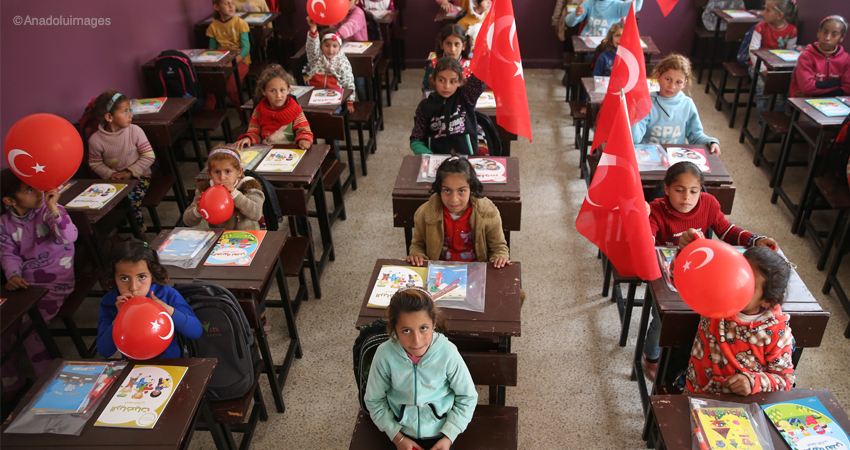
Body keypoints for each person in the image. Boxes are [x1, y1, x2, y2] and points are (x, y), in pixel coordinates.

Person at [642, 162, 778, 379]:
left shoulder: (709, 204)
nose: (687, 197)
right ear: (666, 189)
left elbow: (726, 230)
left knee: (704, 317)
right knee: (662, 321)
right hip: (665, 277)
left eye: (694, 191)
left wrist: (755, 240)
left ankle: (689, 354)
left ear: (701, 191)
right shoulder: (656, 209)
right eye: (679, 190)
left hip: (702, 273)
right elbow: (647, 244)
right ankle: (651, 356)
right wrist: (641, 220)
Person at [364, 287, 477, 450]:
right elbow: (374, 400)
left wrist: (449, 436)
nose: (416, 341)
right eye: (406, 330)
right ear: (394, 329)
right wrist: (397, 438)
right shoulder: (384, 355)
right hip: (399, 432)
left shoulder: (448, 353)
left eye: (423, 328)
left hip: (442, 434)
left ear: (434, 323)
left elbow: (467, 397)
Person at [0, 170, 77, 398]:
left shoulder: (48, 211)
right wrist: (13, 275)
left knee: (30, 328)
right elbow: (8, 254)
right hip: (25, 284)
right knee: (3, 329)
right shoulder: (4, 224)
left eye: (36, 186)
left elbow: (69, 236)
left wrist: (54, 208)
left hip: (55, 282)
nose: (38, 193)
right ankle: (12, 384)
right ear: (10, 201)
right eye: (29, 190)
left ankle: (48, 388)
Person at [686, 247, 795, 395]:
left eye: (749, 284)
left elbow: (785, 380)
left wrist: (752, 382)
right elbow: (684, 278)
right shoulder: (716, 298)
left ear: (767, 301)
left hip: (739, 406)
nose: (736, 284)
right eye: (737, 274)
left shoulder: (777, 331)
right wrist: (684, 251)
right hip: (696, 391)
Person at [96, 240, 202, 359]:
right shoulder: (109, 303)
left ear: (152, 275)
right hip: (132, 368)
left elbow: (196, 331)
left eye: (141, 277)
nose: (133, 287)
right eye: (124, 278)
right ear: (114, 278)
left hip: (171, 364)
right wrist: (119, 318)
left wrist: (167, 310)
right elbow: (104, 351)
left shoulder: (167, 294)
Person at [406, 156, 510, 268]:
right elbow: (417, 245)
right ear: (439, 189)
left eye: (461, 191)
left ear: (471, 189)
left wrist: (499, 257)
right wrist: (417, 255)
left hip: (474, 270)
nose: (454, 199)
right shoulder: (424, 213)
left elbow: (498, 247)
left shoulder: (488, 213)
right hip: (438, 271)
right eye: (447, 190)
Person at [88, 89, 156, 232]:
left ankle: (140, 232)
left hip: (139, 177)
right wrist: (110, 174)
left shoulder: (134, 131)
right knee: (105, 205)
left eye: (129, 110)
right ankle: (114, 233)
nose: (130, 115)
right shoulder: (96, 140)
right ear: (109, 117)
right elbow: (95, 163)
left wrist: (130, 172)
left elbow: (149, 155)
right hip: (114, 181)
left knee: (131, 200)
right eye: (125, 111)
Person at [632, 54, 722, 155]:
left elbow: (695, 135)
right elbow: (635, 139)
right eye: (668, 79)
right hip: (649, 155)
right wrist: (633, 118)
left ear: (684, 84)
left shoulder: (687, 104)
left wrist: (711, 142)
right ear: (658, 77)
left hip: (676, 156)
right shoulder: (646, 102)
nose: (671, 86)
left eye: (678, 82)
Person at [411, 58, 486, 155]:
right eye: (441, 80)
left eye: (453, 81)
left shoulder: (466, 96)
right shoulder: (425, 106)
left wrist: (487, 53)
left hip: (465, 161)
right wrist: (429, 156)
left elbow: (481, 76)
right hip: (436, 161)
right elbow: (416, 139)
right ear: (434, 80)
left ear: (460, 81)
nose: (447, 86)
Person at [183, 147, 265, 230]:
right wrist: (198, 209)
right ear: (209, 173)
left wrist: (234, 193)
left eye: (228, 171)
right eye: (217, 172)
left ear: (239, 172)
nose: (222, 178)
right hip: (220, 238)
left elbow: (256, 214)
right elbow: (187, 221)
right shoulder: (206, 190)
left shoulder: (249, 186)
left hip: (247, 237)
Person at [234, 65, 314, 150]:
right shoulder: (259, 110)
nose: (278, 95)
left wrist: (304, 139)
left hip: (291, 153)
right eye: (272, 91)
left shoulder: (295, 109)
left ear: (288, 90)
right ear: (263, 91)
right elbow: (254, 132)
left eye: (282, 90)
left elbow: (304, 131)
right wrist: (249, 139)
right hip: (267, 153)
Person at [748, 0, 797, 117]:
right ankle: (763, 124)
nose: (763, 12)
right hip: (758, 66)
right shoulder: (761, 27)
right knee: (763, 89)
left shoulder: (792, 30)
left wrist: (779, 72)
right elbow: (753, 51)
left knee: (780, 93)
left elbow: (790, 54)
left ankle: (775, 125)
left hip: (777, 69)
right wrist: (763, 70)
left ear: (780, 15)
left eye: (768, 10)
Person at [205, 0, 251, 124]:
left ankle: (245, 120)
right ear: (216, 6)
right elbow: (212, 51)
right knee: (211, 87)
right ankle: (207, 124)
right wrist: (219, 64)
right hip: (222, 63)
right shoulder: (213, 27)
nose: (231, 6)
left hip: (240, 61)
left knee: (232, 89)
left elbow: (245, 49)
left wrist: (231, 64)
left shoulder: (240, 23)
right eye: (226, 3)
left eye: (232, 3)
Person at [789, 15, 850, 98]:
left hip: (833, 106)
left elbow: (847, 89)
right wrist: (836, 83)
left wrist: (815, 95)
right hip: (802, 105)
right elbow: (807, 87)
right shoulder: (806, 56)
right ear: (819, 33)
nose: (827, 38)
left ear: (841, 38)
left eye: (834, 34)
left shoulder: (846, 59)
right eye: (825, 32)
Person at [305, 19, 356, 114]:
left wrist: (350, 101)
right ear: (321, 45)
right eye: (326, 45)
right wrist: (313, 29)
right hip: (313, 94)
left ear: (340, 47)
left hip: (334, 97)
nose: (330, 49)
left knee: (332, 115)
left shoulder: (343, 62)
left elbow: (348, 82)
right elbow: (311, 48)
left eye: (334, 46)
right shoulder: (316, 57)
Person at [332, 0, 369, 102]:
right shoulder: (337, 12)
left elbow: (350, 25)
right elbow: (332, 27)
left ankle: (365, 104)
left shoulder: (358, 13)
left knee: (359, 83)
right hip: (341, 55)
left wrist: (335, 36)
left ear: (356, 1)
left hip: (359, 55)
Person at [423, 25, 473, 94]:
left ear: (463, 46)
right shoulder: (434, 64)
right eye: (448, 44)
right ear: (441, 44)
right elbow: (426, 89)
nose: (452, 49)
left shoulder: (470, 65)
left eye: (457, 44)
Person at [565, 0, 643, 36]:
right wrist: (576, 14)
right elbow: (569, 22)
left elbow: (636, 7)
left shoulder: (618, 5)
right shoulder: (589, 3)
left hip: (608, 45)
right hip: (588, 44)